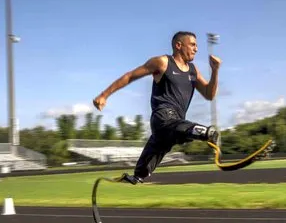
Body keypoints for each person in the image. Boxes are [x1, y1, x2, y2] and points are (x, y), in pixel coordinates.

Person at [92, 31, 221, 184]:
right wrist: (104, 95)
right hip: (163, 117)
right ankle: (204, 132)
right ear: (178, 45)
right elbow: (130, 76)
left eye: (197, 45)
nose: (196, 49)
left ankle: (136, 177)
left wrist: (215, 71)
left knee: (143, 171)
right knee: (174, 126)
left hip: (175, 126)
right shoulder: (163, 62)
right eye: (192, 44)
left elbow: (209, 94)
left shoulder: (193, 70)